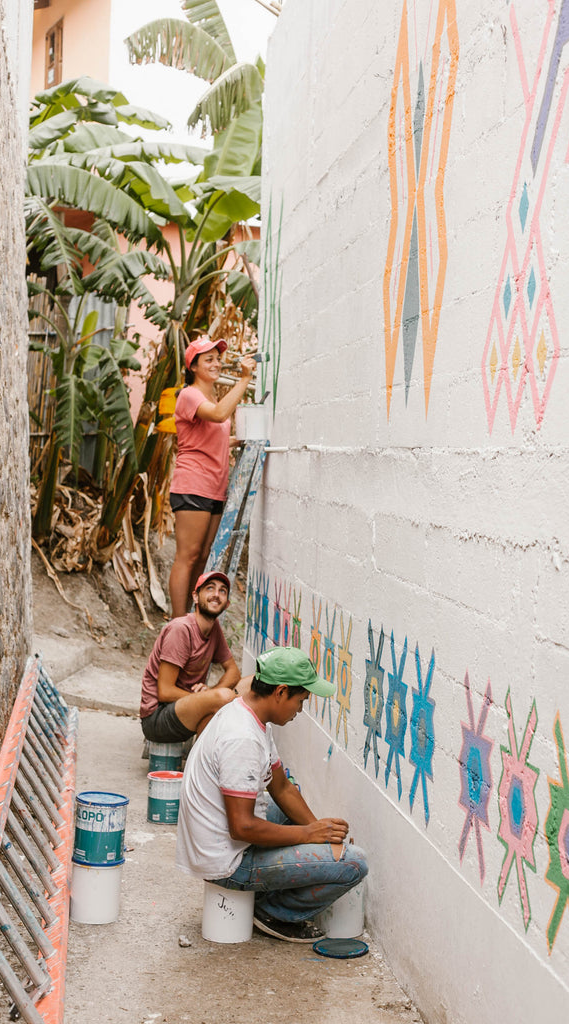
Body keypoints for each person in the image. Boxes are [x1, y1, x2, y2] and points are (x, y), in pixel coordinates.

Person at [176, 646, 369, 942]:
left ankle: (274, 896)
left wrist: (323, 833)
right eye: (300, 701)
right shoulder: (241, 739)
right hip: (228, 864)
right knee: (355, 863)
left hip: (223, 840)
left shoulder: (249, 713)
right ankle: (275, 913)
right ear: (280, 692)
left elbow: (281, 787)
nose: (300, 711)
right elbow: (242, 827)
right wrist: (308, 835)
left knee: (295, 808)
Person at [168, 335, 257, 617]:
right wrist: (244, 379)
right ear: (193, 366)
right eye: (209, 359)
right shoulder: (190, 394)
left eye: (218, 358)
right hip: (193, 484)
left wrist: (235, 441)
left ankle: (192, 621)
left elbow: (209, 435)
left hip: (215, 488)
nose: (217, 363)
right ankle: (177, 623)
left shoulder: (211, 396)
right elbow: (218, 415)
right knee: (188, 555)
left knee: (204, 555)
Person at [140, 571, 240, 744]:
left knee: (251, 685)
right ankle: (203, 763)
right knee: (224, 698)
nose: (216, 595)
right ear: (195, 597)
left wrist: (209, 692)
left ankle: (202, 757)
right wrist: (209, 696)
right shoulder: (181, 629)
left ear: (227, 604)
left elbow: (233, 672)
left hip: (184, 707)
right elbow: (165, 691)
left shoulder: (213, 627)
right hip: (157, 717)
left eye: (222, 591)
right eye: (210, 588)